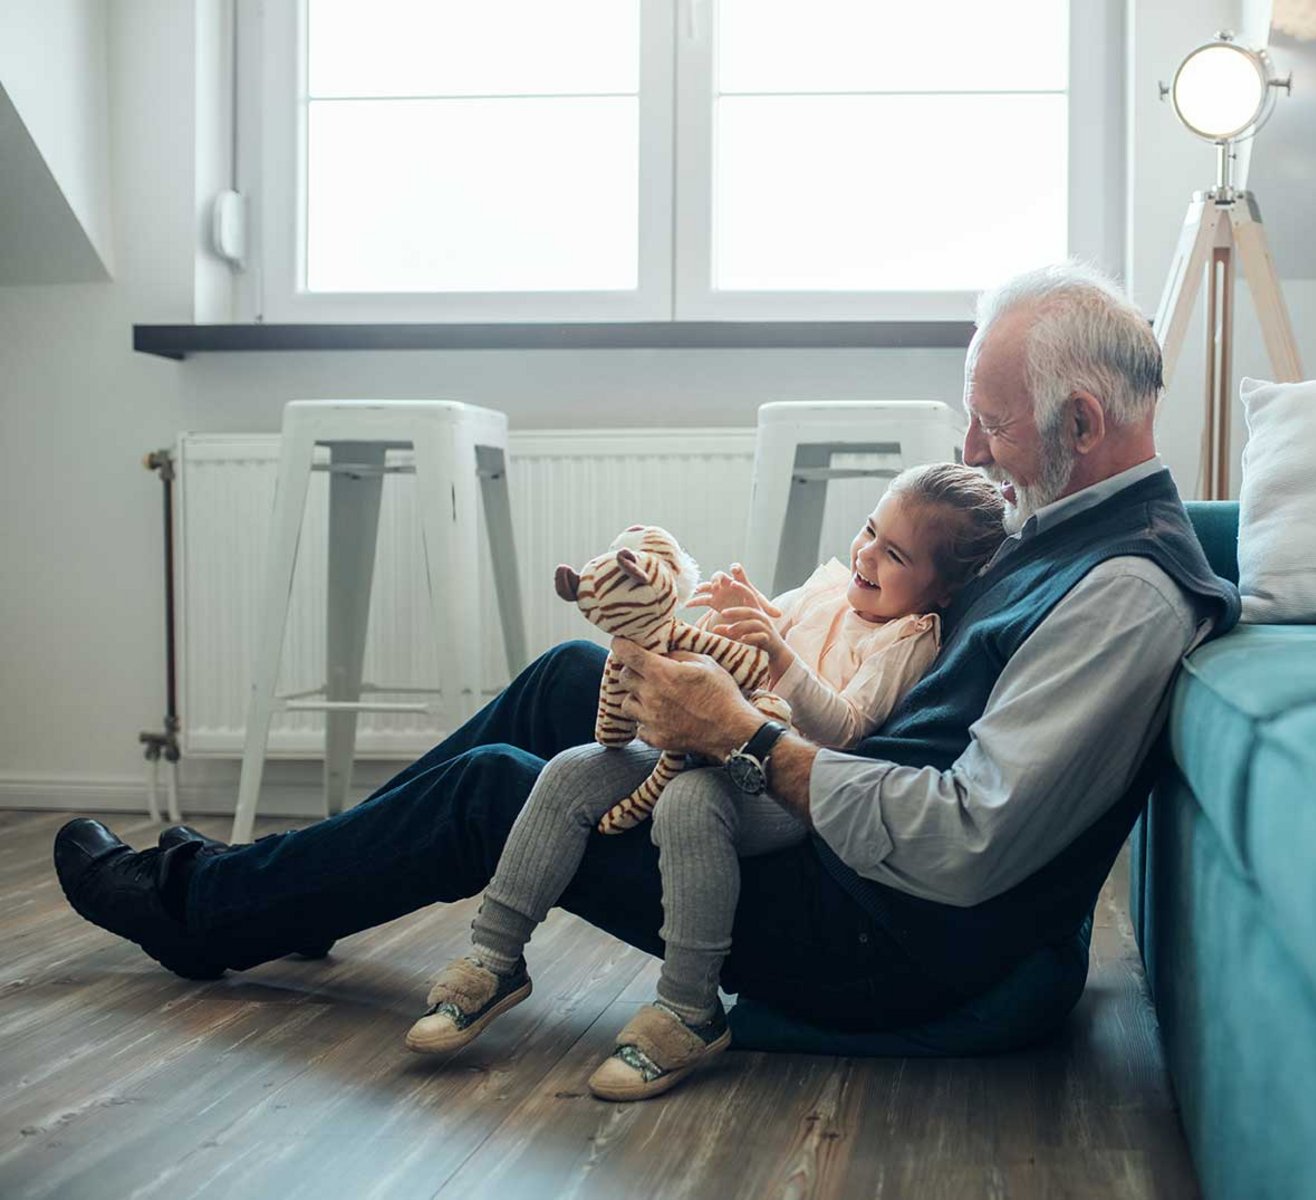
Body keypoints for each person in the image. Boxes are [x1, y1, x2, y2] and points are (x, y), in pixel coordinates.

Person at [53, 262, 1241, 1100]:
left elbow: (970, 840)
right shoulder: (1064, 521)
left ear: (1081, 421)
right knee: (577, 672)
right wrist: (755, 660)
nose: (971, 451)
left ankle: (198, 914)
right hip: (839, 842)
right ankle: (292, 894)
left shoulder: (1123, 593)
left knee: (502, 790)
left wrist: (750, 742)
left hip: (885, 938)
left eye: (991, 426)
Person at [406, 464, 1009, 1103]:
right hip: (710, 742)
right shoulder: (834, 584)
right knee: (571, 771)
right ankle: (494, 959)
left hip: (783, 781)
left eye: (895, 555)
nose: (867, 555)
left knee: (692, 803)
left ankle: (688, 1007)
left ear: (942, 590)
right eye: (869, 531)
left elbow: (847, 727)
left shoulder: (908, 637)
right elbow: (761, 638)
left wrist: (778, 654)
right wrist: (747, 614)